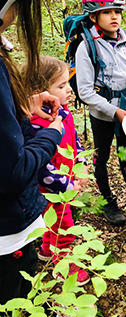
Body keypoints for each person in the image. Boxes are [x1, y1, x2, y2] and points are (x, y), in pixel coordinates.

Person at [0, 0, 62, 304]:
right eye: (19, 1)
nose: (18, 14)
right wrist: (51, 135)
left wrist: (22, 106)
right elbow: (10, 170)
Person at [75, 0, 126, 226]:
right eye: (107, 12)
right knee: (102, 155)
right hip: (103, 114)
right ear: (94, 15)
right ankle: (108, 199)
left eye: (117, 12)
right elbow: (85, 91)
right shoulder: (86, 45)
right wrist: (113, 111)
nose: (114, 17)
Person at [30, 56, 90, 287]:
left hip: (67, 179)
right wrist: (65, 184)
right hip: (51, 189)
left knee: (56, 222)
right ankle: (63, 265)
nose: (69, 91)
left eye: (68, 84)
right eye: (61, 86)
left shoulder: (63, 112)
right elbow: (41, 165)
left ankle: (46, 249)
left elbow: (74, 141)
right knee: (63, 226)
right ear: (40, 90)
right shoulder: (37, 122)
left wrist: (82, 164)